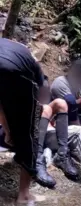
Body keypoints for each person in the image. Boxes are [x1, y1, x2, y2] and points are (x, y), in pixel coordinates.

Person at [0, 38, 48, 204]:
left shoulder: (4, 44)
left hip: (8, 70)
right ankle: (24, 195)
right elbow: (40, 103)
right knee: (31, 134)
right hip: (16, 72)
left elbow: (1, 106)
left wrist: (7, 130)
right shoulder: (29, 56)